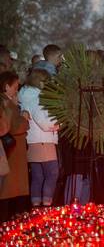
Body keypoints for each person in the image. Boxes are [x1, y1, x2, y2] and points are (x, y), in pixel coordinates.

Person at [18, 69, 59, 206]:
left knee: (38, 176)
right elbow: (45, 123)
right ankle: (46, 205)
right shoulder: (37, 98)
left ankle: (36, 207)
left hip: (33, 141)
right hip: (43, 140)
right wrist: (59, 124)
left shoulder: (25, 96)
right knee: (52, 173)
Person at [0, 71, 30, 221]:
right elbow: (13, 126)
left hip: (15, 150)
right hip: (12, 151)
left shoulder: (8, 102)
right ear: (6, 86)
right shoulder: (5, 103)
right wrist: (24, 117)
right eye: (15, 86)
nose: (17, 89)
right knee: (9, 188)